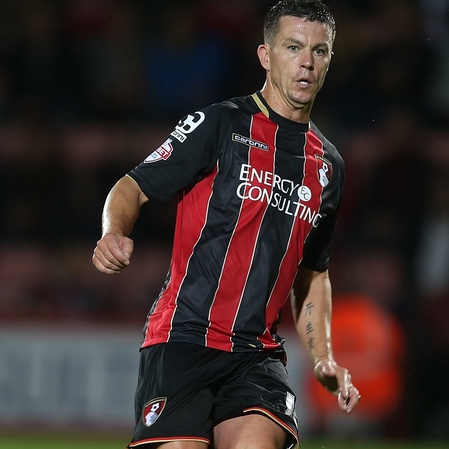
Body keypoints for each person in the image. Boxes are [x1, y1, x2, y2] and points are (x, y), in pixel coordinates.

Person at [91, 2, 360, 448]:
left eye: (320, 51)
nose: (307, 62)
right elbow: (132, 187)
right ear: (265, 54)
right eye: (294, 47)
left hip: (255, 356)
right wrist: (113, 232)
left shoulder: (328, 165)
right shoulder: (219, 124)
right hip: (182, 338)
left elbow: (312, 273)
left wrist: (323, 358)